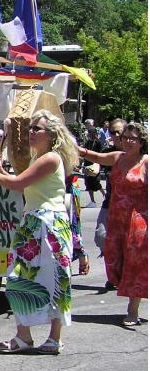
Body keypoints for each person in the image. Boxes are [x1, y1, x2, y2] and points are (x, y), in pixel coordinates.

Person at [0, 109, 79, 355]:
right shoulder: (42, 158)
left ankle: (52, 338)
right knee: (18, 279)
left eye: (37, 128)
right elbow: (22, 184)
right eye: (31, 128)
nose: (31, 132)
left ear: (51, 134)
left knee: (55, 280)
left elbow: (18, 184)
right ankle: (24, 336)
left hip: (48, 225)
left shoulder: (50, 159)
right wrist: (0, 172)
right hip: (35, 224)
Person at [78, 122, 147, 326]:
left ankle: (132, 310)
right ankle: (127, 289)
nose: (127, 141)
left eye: (132, 138)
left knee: (135, 266)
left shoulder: (146, 163)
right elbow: (95, 156)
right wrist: (74, 148)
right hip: (116, 218)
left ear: (141, 141)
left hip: (139, 220)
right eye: (125, 137)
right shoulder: (117, 158)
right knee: (114, 261)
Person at [93, 119, 126, 290]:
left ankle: (118, 276)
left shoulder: (138, 153)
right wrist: (94, 169)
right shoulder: (109, 152)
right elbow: (97, 162)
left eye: (119, 132)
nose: (116, 136)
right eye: (112, 132)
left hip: (130, 207)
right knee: (101, 236)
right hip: (110, 204)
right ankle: (114, 272)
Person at [82, 127, 105, 208]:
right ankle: (92, 201)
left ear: (94, 134)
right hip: (87, 164)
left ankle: (105, 196)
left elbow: (101, 153)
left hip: (95, 165)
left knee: (96, 183)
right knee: (88, 184)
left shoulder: (98, 142)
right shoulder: (88, 142)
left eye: (90, 133)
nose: (89, 135)